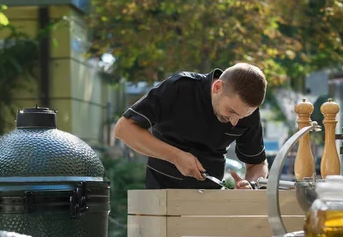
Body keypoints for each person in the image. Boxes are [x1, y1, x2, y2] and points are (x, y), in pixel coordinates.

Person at [114, 63, 268, 190]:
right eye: (231, 111)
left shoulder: (246, 111)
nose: (234, 122)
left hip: (212, 198)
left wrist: (251, 185)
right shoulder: (180, 87)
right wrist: (175, 156)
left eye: (242, 117)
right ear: (217, 87)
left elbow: (257, 163)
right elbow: (124, 129)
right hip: (162, 192)